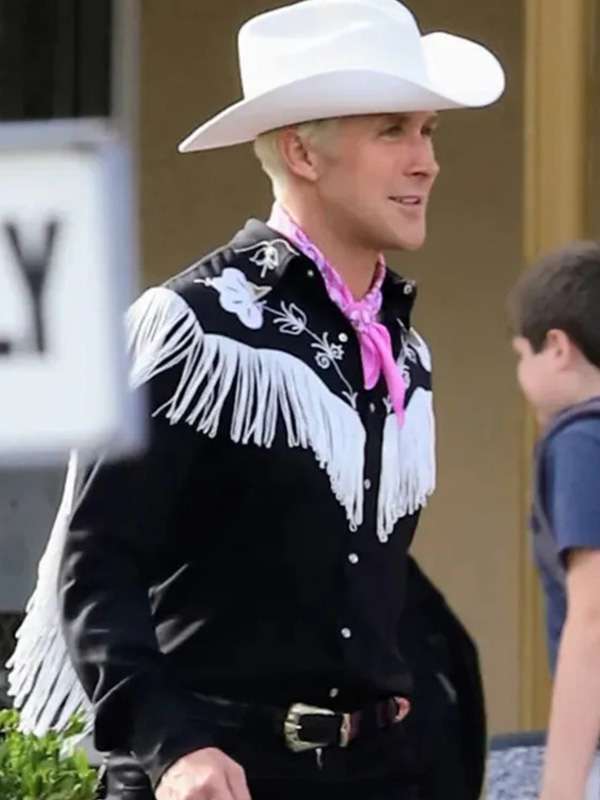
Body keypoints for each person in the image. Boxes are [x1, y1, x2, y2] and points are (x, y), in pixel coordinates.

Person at [7, 1, 504, 798]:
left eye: (428, 131)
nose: (426, 162)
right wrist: (175, 749)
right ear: (302, 152)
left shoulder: (403, 354)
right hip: (216, 777)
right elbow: (96, 566)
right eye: (393, 132)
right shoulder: (195, 329)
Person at [509, 241, 600, 800]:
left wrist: (561, 789)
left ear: (558, 348)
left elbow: (593, 618)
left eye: (522, 355)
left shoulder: (581, 441)